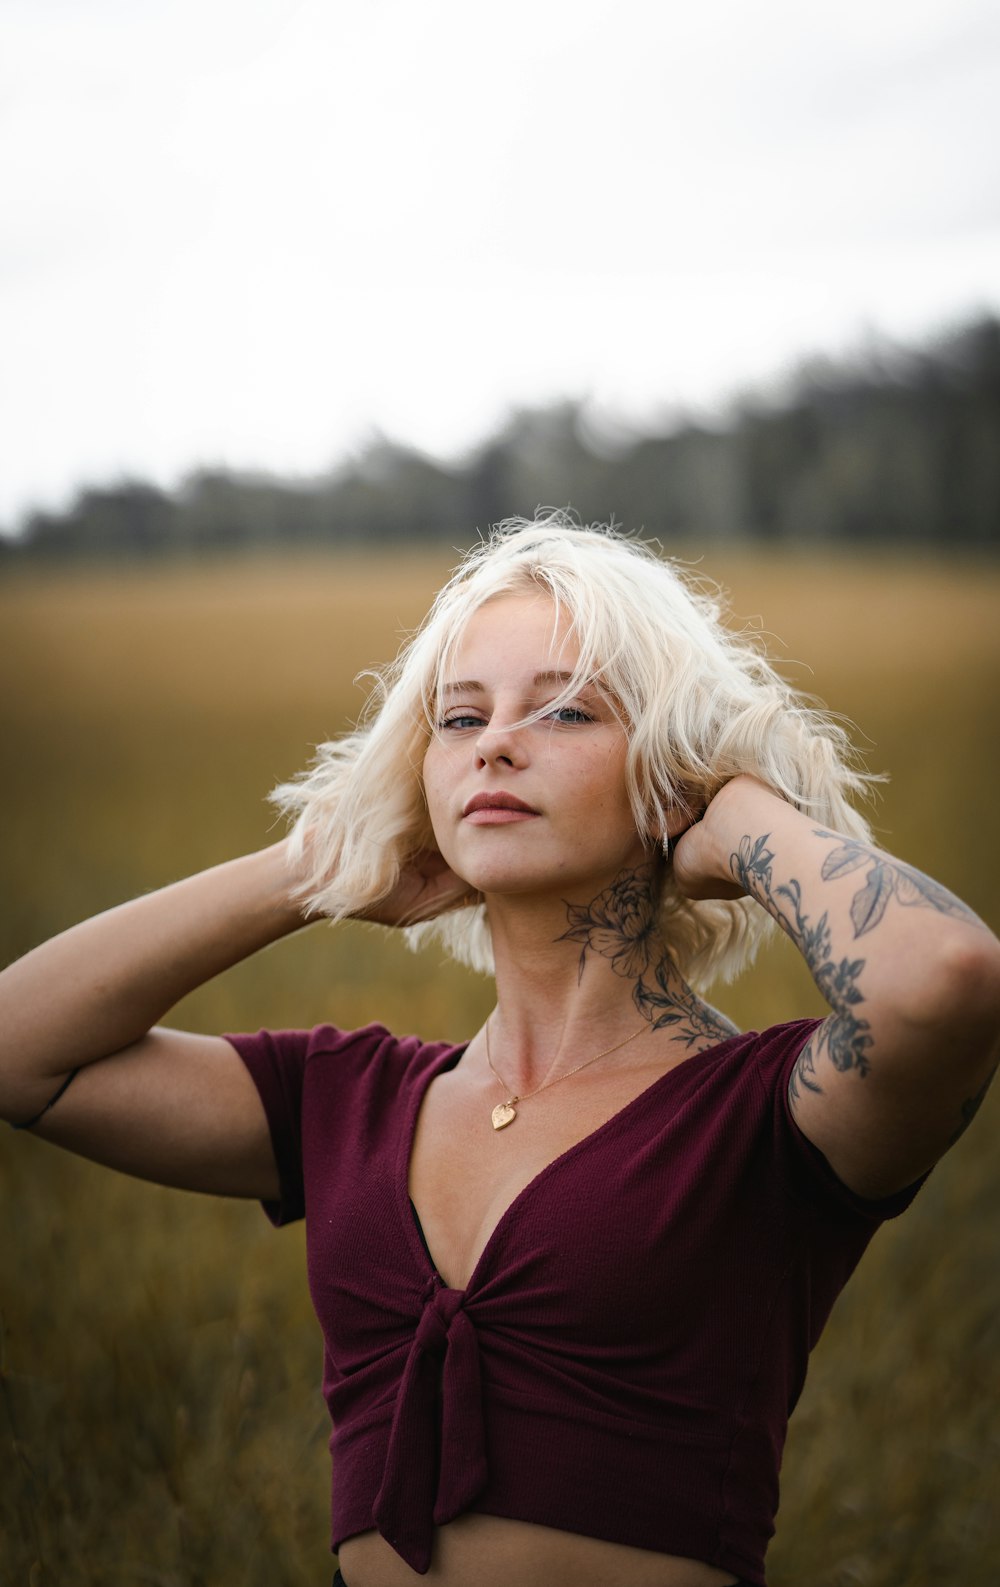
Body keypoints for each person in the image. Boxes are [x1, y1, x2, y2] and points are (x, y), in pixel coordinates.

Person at [2, 515, 998, 1587]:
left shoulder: (765, 1119)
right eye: (458, 717)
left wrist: (739, 817)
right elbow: (22, 1051)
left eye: (567, 709)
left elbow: (942, 980)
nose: (495, 742)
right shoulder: (351, 1097)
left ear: (669, 771)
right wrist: (318, 865)